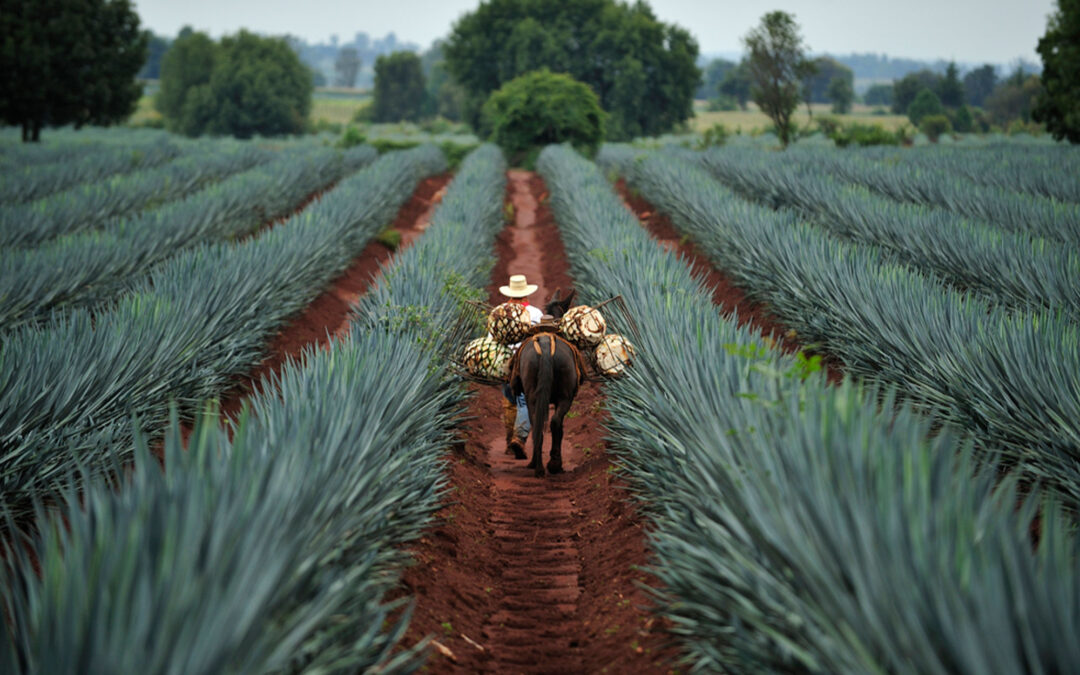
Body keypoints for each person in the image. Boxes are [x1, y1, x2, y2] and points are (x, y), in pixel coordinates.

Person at [498, 274, 543, 455]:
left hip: (506, 361)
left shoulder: (500, 312)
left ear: (509, 293)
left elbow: (491, 339)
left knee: (510, 401)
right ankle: (519, 438)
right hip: (529, 361)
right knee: (525, 400)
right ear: (526, 294)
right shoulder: (536, 313)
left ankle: (510, 442)